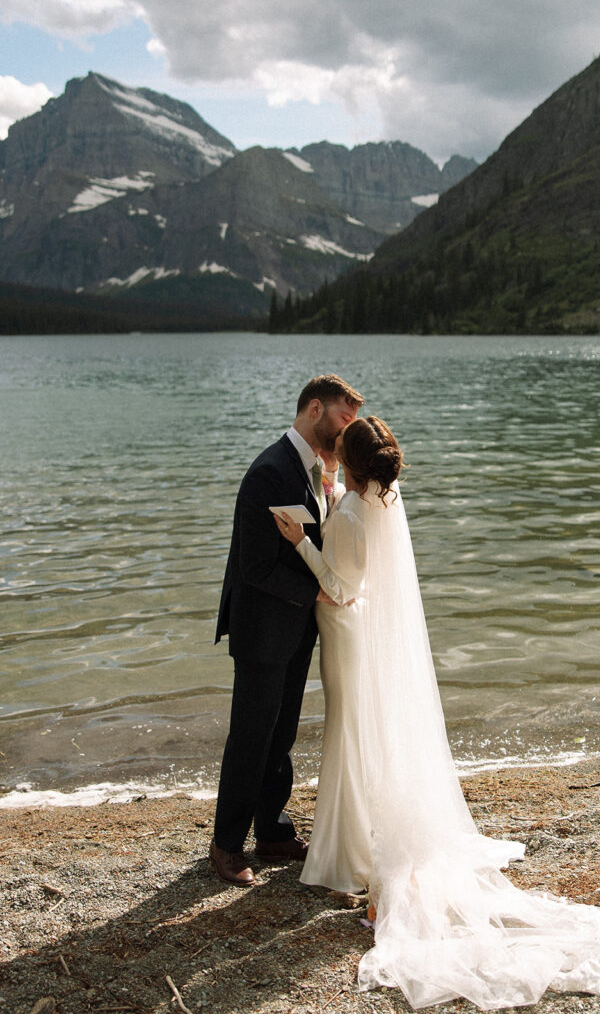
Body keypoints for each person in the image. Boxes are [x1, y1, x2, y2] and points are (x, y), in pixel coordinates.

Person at [274, 416, 600, 1011]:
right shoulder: (377, 499)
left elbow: (342, 587)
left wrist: (299, 540)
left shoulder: (352, 512)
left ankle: (348, 856)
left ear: (348, 462)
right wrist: (329, 497)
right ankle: (350, 847)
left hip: (347, 630)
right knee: (358, 736)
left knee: (350, 736)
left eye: (337, 452)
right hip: (361, 629)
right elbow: (355, 551)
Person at [210, 374, 364, 887]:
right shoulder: (269, 471)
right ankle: (226, 846)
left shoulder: (316, 470)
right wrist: (317, 593)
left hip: (296, 626)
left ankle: (272, 830)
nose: (349, 430)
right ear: (315, 409)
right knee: (252, 736)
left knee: (283, 732)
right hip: (262, 629)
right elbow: (252, 566)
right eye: (345, 419)